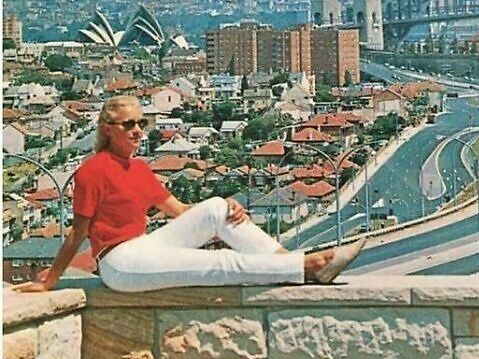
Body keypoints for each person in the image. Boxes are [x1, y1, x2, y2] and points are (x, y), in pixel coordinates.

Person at [15, 96, 365, 294]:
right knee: (218, 264)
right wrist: (51, 281)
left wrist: (228, 209)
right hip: (120, 264)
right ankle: (309, 266)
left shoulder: (138, 169)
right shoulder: (92, 170)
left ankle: (288, 262)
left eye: (142, 124)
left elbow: (179, 211)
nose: (138, 131)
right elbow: (77, 233)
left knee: (216, 207)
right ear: (108, 130)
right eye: (129, 125)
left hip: (145, 247)